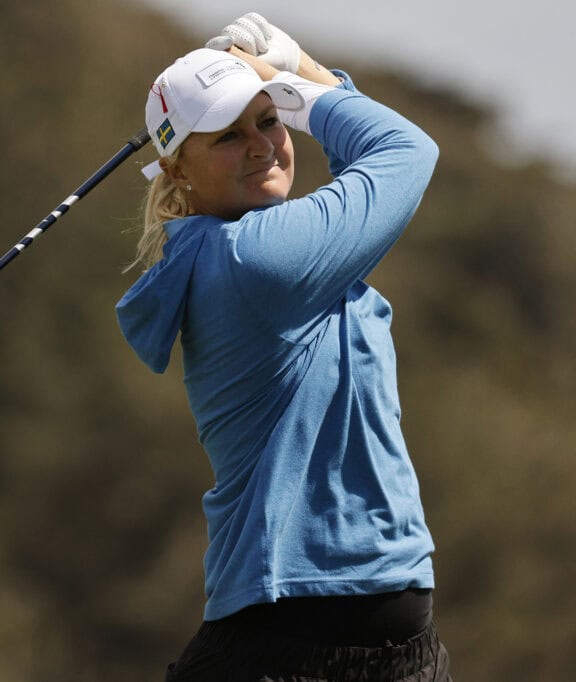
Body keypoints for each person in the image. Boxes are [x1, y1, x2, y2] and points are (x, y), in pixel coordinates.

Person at [115, 13, 451, 681]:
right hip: (290, 644)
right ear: (179, 172)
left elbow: (371, 149)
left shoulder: (264, 248)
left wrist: (301, 75)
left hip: (390, 649)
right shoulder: (257, 257)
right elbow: (406, 152)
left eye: (269, 121)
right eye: (228, 137)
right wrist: (296, 82)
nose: (263, 145)